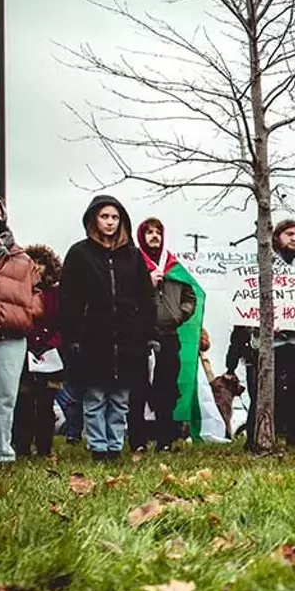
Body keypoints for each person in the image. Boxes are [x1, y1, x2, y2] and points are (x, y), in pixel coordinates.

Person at [59, 195, 156, 461]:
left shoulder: (133, 256)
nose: (110, 222)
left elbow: (146, 298)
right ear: (93, 219)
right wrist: (72, 336)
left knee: (119, 399)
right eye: (105, 216)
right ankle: (98, 447)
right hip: (93, 338)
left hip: (128, 339)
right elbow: (68, 299)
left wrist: (149, 335)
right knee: (95, 397)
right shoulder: (79, 254)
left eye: (115, 217)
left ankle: (114, 446)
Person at [229, 219, 295, 449]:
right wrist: (264, 323)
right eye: (289, 234)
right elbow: (246, 303)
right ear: (277, 236)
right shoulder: (262, 266)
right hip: (272, 342)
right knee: (265, 393)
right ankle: (258, 438)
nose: (294, 239)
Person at [128, 218, 198, 452]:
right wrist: (146, 284)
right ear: (141, 236)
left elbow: (191, 295)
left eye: (158, 231)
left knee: (166, 388)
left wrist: (180, 314)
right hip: (139, 335)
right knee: (137, 389)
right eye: (149, 232)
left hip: (169, 334)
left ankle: (165, 440)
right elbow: (124, 296)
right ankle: (137, 441)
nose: (154, 236)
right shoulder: (133, 262)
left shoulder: (174, 266)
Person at [0, 196, 43, 464]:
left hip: (11, 335)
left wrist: (29, 314)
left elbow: (36, 292)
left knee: (4, 398)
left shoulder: (20, 257)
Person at [13, 245, 64, 458]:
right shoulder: (18, 290)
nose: (36, 267)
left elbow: (63, 323)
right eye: (31, 262)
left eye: (40, 263)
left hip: (50, 355)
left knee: (45, 404)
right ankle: (22, 446)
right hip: (24, 352)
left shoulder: (56, 293)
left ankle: (44, 447)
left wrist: (51, 344)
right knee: (23, 403)